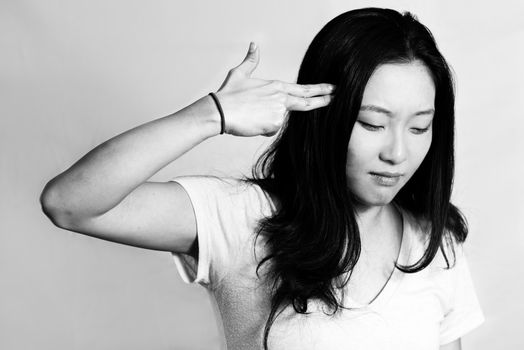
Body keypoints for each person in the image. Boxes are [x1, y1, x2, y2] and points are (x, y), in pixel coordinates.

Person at [40, 7, 485, 350]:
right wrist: (208, 115)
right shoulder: (240, 217)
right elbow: (69, 203)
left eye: (419, 127)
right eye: (372, 124)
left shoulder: (436, 243)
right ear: (324, 117)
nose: (397, 153)